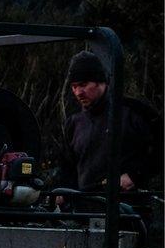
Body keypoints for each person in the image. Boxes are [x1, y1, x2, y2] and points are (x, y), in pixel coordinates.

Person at [57, 50, 157, 203]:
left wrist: (135, 175)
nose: (78, 92)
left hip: (127, 211)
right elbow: (67, 167)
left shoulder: (134, 113)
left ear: (100, 82)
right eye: (74, 87)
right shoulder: (74, 123)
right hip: (85, 214)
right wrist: (63, 192)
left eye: (83, 85)